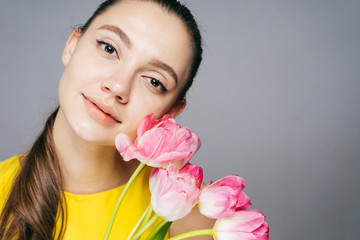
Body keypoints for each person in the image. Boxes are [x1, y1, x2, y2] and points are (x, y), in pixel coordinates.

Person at [0, 0, 215, 239]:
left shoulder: (190, 216)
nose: (117, 86)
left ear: (171, 113)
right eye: (109, 48)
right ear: (72, 46)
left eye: (154, 81)